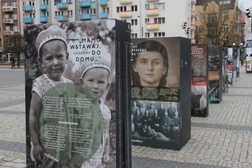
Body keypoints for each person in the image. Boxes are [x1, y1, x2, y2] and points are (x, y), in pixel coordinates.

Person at [29, 25, 76, 167]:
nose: (55, 62)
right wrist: (36, 143)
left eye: (59, 56)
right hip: (47, 147)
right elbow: (33, 115)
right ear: (42, 62)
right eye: (49, 58)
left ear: (66, 57)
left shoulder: (70, 84)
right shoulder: (40, 84)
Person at [79, 56, 111, 167]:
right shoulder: (76, 107)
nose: (95, 86)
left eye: (101, 82)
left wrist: (106, 152)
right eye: (91, 80)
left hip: (98, 158)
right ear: (81, 83)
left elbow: (106, 134)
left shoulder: (105, 111)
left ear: (107, 86)